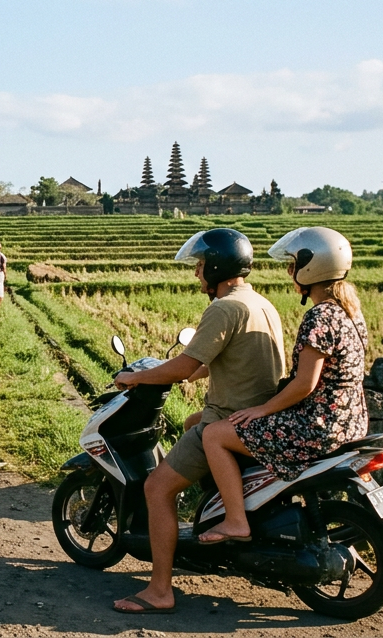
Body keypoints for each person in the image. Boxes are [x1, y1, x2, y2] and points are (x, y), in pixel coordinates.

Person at [109, 228, 284, 615]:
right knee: (190, 423)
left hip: (229, 418)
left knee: (156, 487)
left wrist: (135, 377)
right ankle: (212, 510)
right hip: (257, 411)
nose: (196, 273)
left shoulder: (222, 308)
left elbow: (187, 365)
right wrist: (186, 369)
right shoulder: (259, 303)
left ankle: (158, 591)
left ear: (218, 266)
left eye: (201, 265)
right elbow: (220, 361)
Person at [199, 227, 368, 545]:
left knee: (214, 434)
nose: (290, 271)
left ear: (311, 268)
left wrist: (261, 409)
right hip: (352, 422)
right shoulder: (350, 313)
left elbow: (305, 384)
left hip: (318, 426)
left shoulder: (319, 317)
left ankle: (236, 520)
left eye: (293, 264)